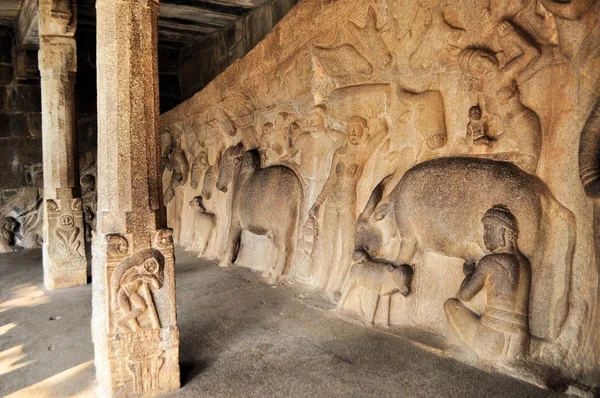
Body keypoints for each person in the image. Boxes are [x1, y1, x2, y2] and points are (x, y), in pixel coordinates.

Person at [305, 115, 387, 300]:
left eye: (358, 130)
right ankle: (322, 283)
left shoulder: (363, 152)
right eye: (350, 130)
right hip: (332, 203)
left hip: (347, 204)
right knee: (328, 245)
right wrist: (317, 203)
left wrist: (379, 116)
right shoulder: (339, 154)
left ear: (364, 131)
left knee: (347, 247)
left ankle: (337, 287)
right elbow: (330, 180)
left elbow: (383, 132)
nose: (353, 133)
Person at [444, 204, 531, 361]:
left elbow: (464, 295)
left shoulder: (490, 261)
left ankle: (461, 349)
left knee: (451, 305)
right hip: (520, 343)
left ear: (503, 232)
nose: (485, 236)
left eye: (488, 230)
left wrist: (469, 274)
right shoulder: (525, 263)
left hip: (491, 337)